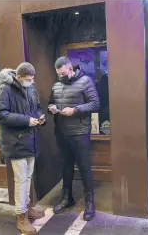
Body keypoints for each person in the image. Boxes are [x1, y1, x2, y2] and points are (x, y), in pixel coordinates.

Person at [0, 63, 45, 235]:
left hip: (30, 140)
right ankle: (21, 216)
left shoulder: (30, 88)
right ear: (18, 77)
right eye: (28, 79)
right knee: (21, 180)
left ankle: (27, 208)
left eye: (32, 79)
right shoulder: (5, 89)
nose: (31, 82)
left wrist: (39, 118)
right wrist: (26, 120)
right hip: (15, 142)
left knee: (28, 177)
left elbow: (36, 107)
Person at [48, 57, 100, 221]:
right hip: (62, 132)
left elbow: (95, 103)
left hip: (79, 132)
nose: (61, 76)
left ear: (71, 69)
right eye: (58, 74)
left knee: (84, 167)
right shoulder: (56, 85)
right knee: (66, 166)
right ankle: (66, 198)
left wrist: (75, 110)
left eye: (63, 73)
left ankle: (90, 202)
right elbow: (50, 103)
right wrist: (52, 108)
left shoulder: (85, 81)